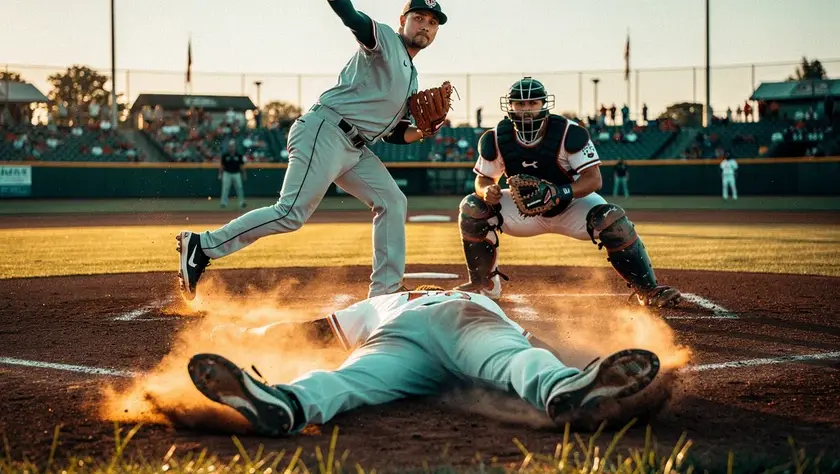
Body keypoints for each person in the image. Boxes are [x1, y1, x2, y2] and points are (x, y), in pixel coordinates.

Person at [176, 0, 450, 301]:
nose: (425, 25)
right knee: (291, 212)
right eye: (419, 17)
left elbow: (394, 134)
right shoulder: (384, 39)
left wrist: (422, 131)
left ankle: (385, 292)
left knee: (393, 201)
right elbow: (351, 16)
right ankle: (203, 245)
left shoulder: (412, 77)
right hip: (327, 130)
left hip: (355, 149)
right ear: (403, 20)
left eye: (433, 22)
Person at [188, 286, 661, 436]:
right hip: (464, 323)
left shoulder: (385, 300)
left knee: (348, 379)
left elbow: (310, 329)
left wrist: (244, 333)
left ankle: (290, 402)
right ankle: (562, 389)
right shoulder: (475, 298)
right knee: (517, 362)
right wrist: (567, 367)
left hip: (398, 338)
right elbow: (527, 346)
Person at [452, 77, 681, 308]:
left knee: (611, 218)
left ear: (543, 104)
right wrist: (486, 190)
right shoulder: (496, 137)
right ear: (510, 106)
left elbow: (594, 179)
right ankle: (484, 284)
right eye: (520, 104)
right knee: (472, 206)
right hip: (524, 211)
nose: (526, 109)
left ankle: (648, 289)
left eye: (532, 103)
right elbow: (483, 179)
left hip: (570, 204)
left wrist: (558, 192)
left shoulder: (568, 132)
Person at [219, 140, 247, 209]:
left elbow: (241, 166)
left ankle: (242, 202)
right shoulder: (225, 155)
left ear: (235, 147)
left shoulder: (238, 155)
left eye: (233, 146)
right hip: (227, 173)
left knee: (239, 188)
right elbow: (222, 166)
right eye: (230, 146)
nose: (231, 148)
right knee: (225, 188)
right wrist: (220, 174)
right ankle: (223, 203)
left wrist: (244, 174)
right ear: (228, 147)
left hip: (236, 173)